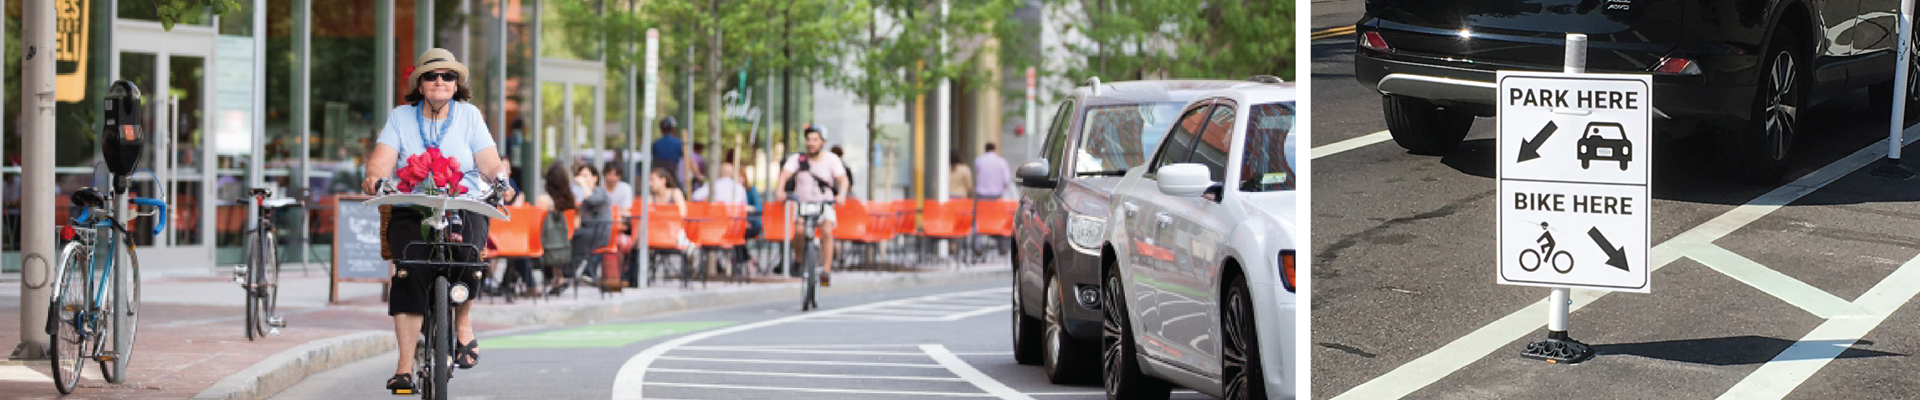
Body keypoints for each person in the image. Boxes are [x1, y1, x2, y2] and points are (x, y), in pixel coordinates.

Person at [362, 48, 515, 392]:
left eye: (448, 76)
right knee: (409, 270)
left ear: (457, 83)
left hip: (463, 201)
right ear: (419, 83)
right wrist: (375, 177)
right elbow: (381, 162)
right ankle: (403, 367)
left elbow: (489, 161)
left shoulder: (470, 115)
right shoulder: (402, 116)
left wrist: (500, 181)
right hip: (413, 203)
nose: (440, 81)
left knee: (469, 256)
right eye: (431, 75)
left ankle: (463, 323)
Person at [772, 125, 849, 286]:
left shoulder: (831, 159)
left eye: (815, 140)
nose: (811, 143)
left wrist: (841, 194)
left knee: (827, 231)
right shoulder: (797, 159)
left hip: (825, 202)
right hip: (803, 203)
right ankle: (799, 260)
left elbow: (843, 179)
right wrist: (780, 190)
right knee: (799, 231)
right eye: (808, 139)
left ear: (822, 142)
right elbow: (784, 175)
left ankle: (826, 271)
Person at [565, 163, 613, 291]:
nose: (582, 178)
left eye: (585, 175)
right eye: (580, 175)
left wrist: (584, 185)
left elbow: (591, 200)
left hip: (598, 234)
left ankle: (573, 273)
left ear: (595, 178)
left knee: (571, 242)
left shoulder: (599, 192)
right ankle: (577, 272)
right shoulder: (581, 193)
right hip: (588, 233)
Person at [533, 163, 578, 292]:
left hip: (548, 242)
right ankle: (558, 277)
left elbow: (537, 224)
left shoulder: (545, 200)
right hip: (565, 241)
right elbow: (576, 224)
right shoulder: (571, 200)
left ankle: (528, 282)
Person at [650, 117, 685, 189]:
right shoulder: (678, 143)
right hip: (672, 178)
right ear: (673, 129)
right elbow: (683, 156)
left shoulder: (656, 144)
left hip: (658, 178)